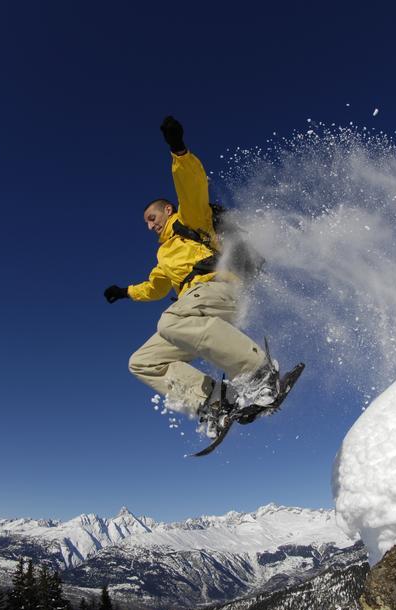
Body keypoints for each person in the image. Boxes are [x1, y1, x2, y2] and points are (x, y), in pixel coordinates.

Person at [104, 117, 278, 437]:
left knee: (168, 322)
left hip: (218, 289)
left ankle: (258, 372)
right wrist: (124, 291)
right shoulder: (163, 256)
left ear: (168, 210)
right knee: (142, 362)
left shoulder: (190, 219)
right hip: (194, 310)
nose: (149, 225)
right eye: (145, 223)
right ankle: (213, 400)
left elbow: (193, 185)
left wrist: (179, 151)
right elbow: (155, 288)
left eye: (152, 218)